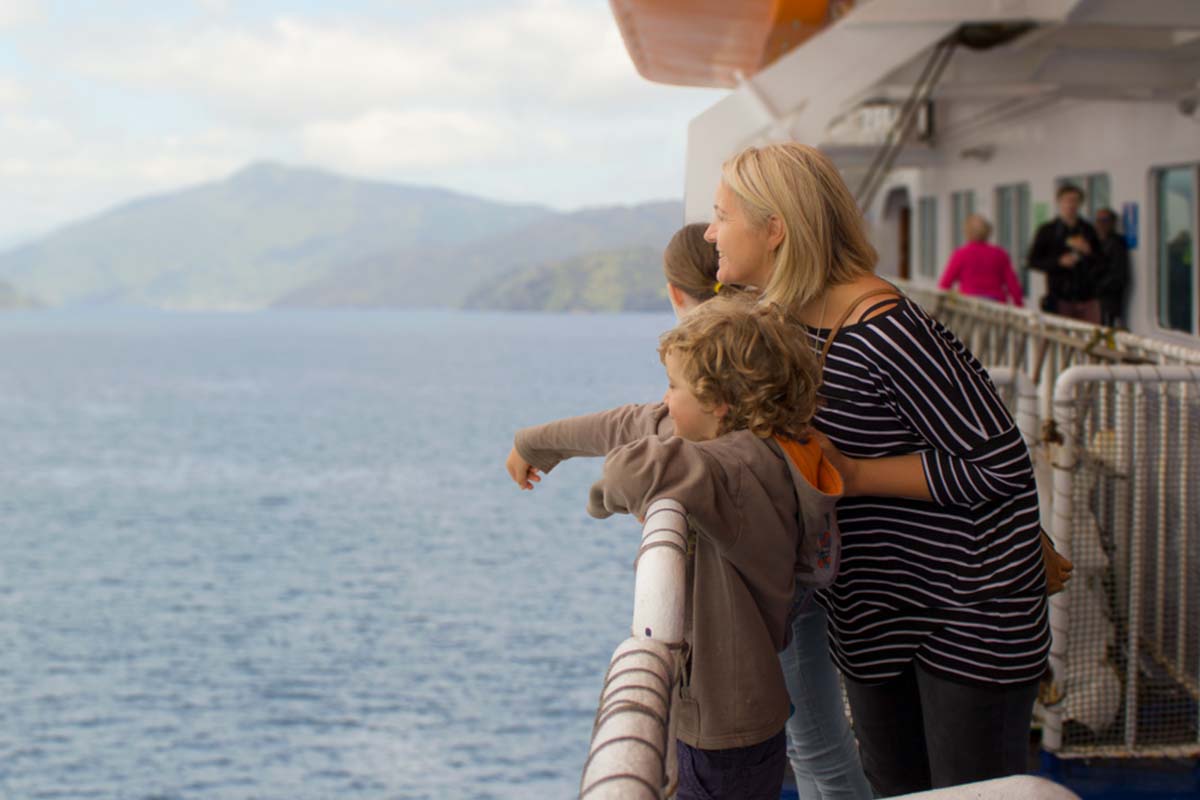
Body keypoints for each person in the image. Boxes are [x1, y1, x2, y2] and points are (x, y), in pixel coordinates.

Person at [704, 142, 1049, 796]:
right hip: (874, 610)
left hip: (967, 612)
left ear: (776, 227)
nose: (710, 231)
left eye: (722, 215)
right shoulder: (792, 324)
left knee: (964, 790)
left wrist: (856, 475)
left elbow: (999, 465)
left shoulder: (882, 329)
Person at [505, 297, 840, 800]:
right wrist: (537, 442)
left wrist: (605, 498)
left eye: (674, 385)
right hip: (743, 709)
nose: (664, 399)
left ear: (719, 402)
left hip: (726, 726)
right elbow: (635, 423)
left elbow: (629, 469)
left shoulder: (731, 471)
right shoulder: (751, 444)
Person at [662, 223, 872, 800]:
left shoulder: (713, 366)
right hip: (806, 564)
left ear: (677, 294)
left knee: (819, 749)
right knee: (816, 746)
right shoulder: (767, 342)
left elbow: (649, 438)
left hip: (777, 586)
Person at [1027, 184, 1102, 322]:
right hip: (1059, 297)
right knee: (1061, 337)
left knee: (1089, 337)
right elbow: (1032, 261)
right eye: (1067, 200)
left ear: (1080, 204)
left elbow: (1101, 261)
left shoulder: (1088, 230)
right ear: (1059, 202)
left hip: (1087, 296)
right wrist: (1058, 262)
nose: (1071, 205)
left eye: (1075, 200)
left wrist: (1088, 251)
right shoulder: (1047, 230)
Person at [938, 214, 1024, 306]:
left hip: (968, 304)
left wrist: (938, 303)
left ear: (967, 232)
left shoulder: (961, 254)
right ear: (988, 232)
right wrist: (1019, 305)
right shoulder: (1000, 254)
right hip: (996, 306)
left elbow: (945, 284)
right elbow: (1013, 284)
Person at [1093, 207, 1131, 328]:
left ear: (1112, 223)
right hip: (1092, 301)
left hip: (1108, 301)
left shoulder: (1117, 243)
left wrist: (1096, 287)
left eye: (1104, 220)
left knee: (1106, 331)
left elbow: (1118, 275)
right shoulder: (1094, 242)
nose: (1100, 224)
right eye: (1098, 220)